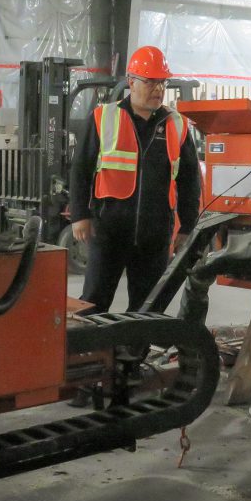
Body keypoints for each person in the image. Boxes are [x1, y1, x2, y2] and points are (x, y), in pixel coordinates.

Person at [69, 45, 202, 315]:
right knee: (94, 301)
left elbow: (190, 182)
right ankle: (94, 354)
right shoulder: (103, 118)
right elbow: (80, 169)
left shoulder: (177, 125)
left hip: (155, 235)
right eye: (150, 81)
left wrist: (188, 227)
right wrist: (79, 215)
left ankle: (132, 357)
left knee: (148, 307)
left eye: (162, 82)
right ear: (131, 81)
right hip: (109, 231)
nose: (158, 89)